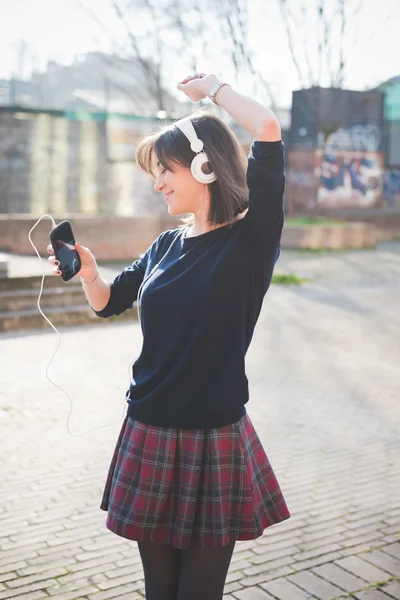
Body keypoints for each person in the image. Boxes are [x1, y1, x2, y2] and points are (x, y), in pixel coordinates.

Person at [48, 72, 291, 600]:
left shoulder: (251, 240)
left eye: (165, 170)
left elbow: (268, 128)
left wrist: (214, 90)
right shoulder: (164, 245)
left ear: (205, 165)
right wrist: (89, 271)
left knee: (198, 593)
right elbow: (111, 303)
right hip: (149, 428)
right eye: (153, 173)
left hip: (213, 436)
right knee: (159, 587)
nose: (157, 182)